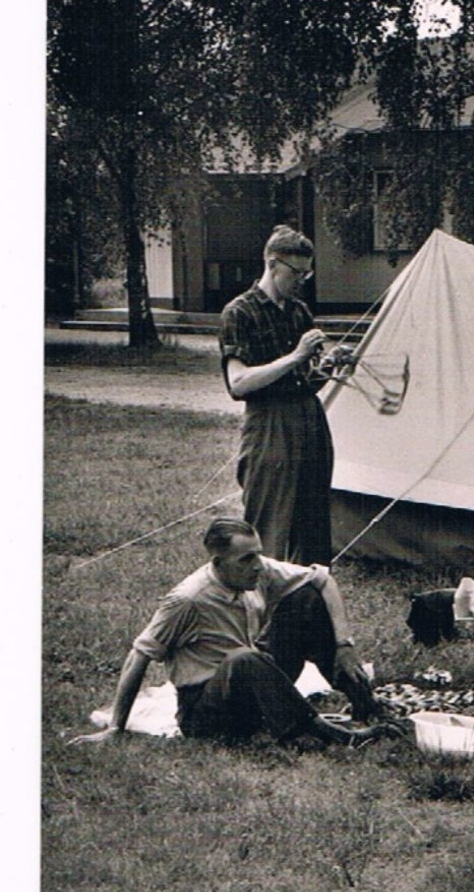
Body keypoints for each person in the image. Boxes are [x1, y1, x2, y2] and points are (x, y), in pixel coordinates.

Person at [70, 518, 392, 748]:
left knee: (305, 599)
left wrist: (344, 645)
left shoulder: (258, 569)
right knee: (244, 658)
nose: (257, 565)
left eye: (258, 554)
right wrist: (116, 727)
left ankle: (363, 701)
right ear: (219, 562)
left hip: (252, 682)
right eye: (246, 559)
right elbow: (138, 656)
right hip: (208, 713)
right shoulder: (189, 599)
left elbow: (322, 580)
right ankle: (324, 732)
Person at [219, 225, 334, 566]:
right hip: (270, 423)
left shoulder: (298, 311)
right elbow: (239, 383)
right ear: (272, 264)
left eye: (307, 272)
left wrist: (329, 365)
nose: (302, 280)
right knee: (269, 523)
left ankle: (306, 604)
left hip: (309, 419)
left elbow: (306, 381)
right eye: (295, 272)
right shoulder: (239, 312)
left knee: (313, 525)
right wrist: (296, 356)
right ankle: (257, 603)